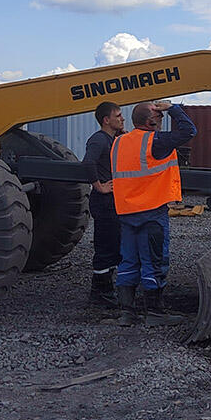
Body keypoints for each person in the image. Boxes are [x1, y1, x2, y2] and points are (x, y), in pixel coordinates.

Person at [110, 100, 197, 327]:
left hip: (127, 213)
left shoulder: (119, 142)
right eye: (159, 117)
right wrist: (172, 108)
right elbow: (189, 130)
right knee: (154, 262)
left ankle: (127, 314)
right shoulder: (155, 141)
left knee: (128, 262)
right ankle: (156, 313)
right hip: (151, 213)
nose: (161, 121)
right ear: (150, 122)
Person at [82, 101, 124, 307]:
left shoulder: (113, 139)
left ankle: (106, 288)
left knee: (115, 245)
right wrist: (99, 186)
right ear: (106, 120)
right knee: (105, 247)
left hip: (112, 202)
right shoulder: (99, 140)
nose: (122, 119)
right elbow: (88, 163)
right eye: (118, 116)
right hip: (104, 202)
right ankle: (100, 293)